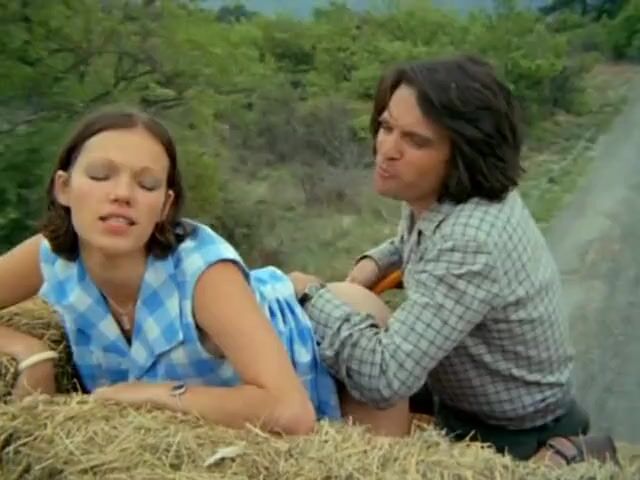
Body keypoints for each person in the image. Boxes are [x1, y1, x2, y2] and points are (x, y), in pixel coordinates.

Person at [288, 55, 620, 465]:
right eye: (387, 127)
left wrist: (310, 293)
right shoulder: (443, 195)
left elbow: (385, 378)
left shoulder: (471, 240)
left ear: (462, 153)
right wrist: (374, 263)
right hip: (469, 393)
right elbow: (408, 242)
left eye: (416, 141)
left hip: (504, 429)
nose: (387, 150)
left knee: (348, 362)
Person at [0, 108, 409, 436]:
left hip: (335, 341)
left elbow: (290, 411)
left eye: (146, 184)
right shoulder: (51, 254)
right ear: (64, 187)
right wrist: (31, 353)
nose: (122, 194)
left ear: (164, 205)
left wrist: (152, 395)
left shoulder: (201, 271)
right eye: (100, 175)